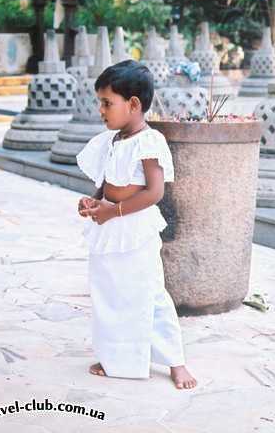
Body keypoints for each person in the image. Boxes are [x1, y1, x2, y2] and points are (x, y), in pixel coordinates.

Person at [76, 60, 197, 389]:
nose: (101, 110)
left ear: (133, 104)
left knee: (149, 293)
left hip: (134, 229)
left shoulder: (149, 141)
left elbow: (154, 192)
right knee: (110, 294)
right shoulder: (112, 140)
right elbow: (106, 179)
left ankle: (176, 362)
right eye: (99, 102)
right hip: (107, 229)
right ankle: (116, 357)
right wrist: (93, 200)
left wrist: (112, 211)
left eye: (106, 103)